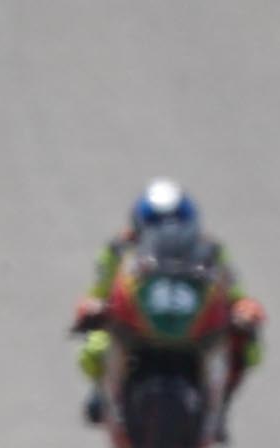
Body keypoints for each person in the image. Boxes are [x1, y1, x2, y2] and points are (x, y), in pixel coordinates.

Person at [71, 180, 263, 426]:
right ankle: (104, 393)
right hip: (137, 319)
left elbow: (234, 291)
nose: (166, 230)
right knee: (94, 348)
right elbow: (99, 290)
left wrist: (244, 310)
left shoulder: (211, 250)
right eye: (156, 222)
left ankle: (220, 403)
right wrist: (90, 308)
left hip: (193, 320)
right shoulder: (119, 248)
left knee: (247, 346)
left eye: (175, 222)